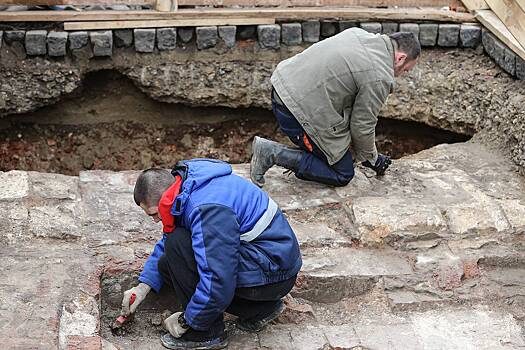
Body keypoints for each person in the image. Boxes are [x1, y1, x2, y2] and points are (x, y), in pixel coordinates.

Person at [120, 159, 302, 349]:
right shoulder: (186, 188)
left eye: (154, 214)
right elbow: (169, 242)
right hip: (265, 263)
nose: (155, 221)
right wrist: (143, 286)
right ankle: (260, 309)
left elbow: (218, 279)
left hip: (274, 273)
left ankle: (205, 334)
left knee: (179, 245)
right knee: (168, 264)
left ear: (164, 197)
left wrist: (187, 320)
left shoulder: (207, 209)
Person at [250, 28, 421, 187]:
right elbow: (362, 125)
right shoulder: (379, 76)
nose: (401, 75)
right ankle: (271, 153)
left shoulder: (358, 33)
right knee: (342, 172)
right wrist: (372, 159)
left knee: (338, 148)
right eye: (405, 70)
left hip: (282, 81)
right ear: (400, 58)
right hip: (292, 107)